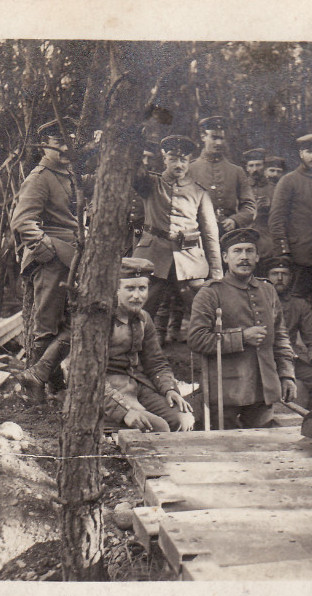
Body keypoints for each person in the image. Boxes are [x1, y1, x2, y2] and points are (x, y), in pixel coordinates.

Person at [188, 228, 298, 429]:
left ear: (257, 256)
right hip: (226, 392)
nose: (244, 257)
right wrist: (242, 337)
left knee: (263, 448)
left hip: (263, 390)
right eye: (237, 251)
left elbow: (281, 338)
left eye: (249, 251)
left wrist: (287, 375)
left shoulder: (268, 290)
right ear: (225, 257)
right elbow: (196, 338)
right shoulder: (210, 293)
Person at [12, 116, 80, 401]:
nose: (65, 148)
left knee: (73, 319)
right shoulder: (39, 178)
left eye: (69, 142)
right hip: (52, 260)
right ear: (45, 147)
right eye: (58, 143)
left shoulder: (69, 174)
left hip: (73, 257)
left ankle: (48, 379)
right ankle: (39, 390)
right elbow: (23, 221)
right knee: (47, 325)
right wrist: (46, 250)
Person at [131, 135, 222, 342]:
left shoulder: (200, 193)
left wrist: (216, 275)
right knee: (140, 310)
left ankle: (211, 360)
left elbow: (210, 236)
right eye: (173, 158)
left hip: (189, 259)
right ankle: (132, 359)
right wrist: (135, 142)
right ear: (164, 159)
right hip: (152, 257)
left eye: (183, 159)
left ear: (190, 161)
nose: (179, 164)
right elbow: (134, 172)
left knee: (205, 310)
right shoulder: (150, 183)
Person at [103, 258, 195, 433]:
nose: (137, 296)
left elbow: (156, 362)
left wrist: (169, 389)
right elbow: (87, 377)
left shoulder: (144, 318)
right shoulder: (101, 320)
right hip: (108, 392)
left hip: (137, 384)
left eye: (142, 288)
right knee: (160, 427)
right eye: (130, 289)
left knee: (183, 419)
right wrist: (123, 412)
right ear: (115, 290)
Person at [268, 133, 312, 334]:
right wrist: (283, 251)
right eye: (309, 152)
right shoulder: (288, 181)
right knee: (292, 304)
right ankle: (287, 349)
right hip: (298, 255)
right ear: (300, 154)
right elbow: (276, 219)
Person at [264, 256, 312, 409]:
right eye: (275, 274)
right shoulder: (258, 300)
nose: (280, 278)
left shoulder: (299, 304)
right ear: (267, 277)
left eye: (285, 274)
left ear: (291, 278)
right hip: (261, 358)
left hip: (288, 358)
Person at [187, 115, 257, 234]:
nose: (219, 143)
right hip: (199, 235)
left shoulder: (236, 171)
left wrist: (235, 220)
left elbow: (250, 207)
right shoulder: (189, 170)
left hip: (229, 235)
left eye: (222, 138)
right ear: (203, 136)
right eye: (214, 138)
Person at [243, 147, 275, 272]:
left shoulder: (274, 188)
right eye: (251, 165)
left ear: (264, 166)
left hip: (267, 242)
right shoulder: (241, 187)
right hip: (246, 237)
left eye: (258, 165)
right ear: (246, 168)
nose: (255, 169)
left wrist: (270, 205)